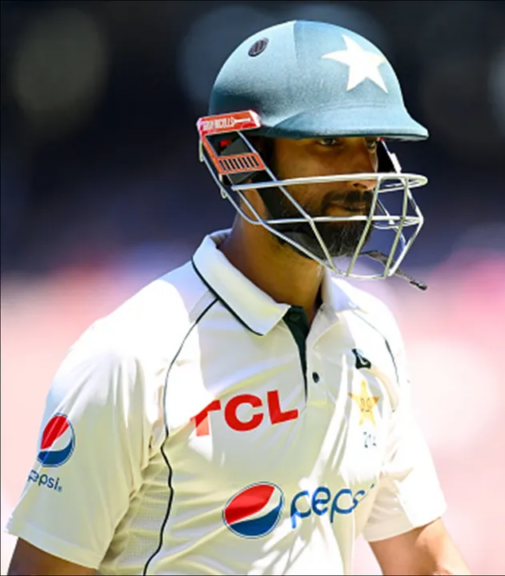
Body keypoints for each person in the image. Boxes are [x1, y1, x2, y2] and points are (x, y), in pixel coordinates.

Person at [5, 20, 470, 576]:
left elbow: (424, 559)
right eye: (328, 143)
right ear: (240, 155)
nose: (363, 175)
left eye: (370, 143)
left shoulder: (372, 333)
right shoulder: (131, 356)